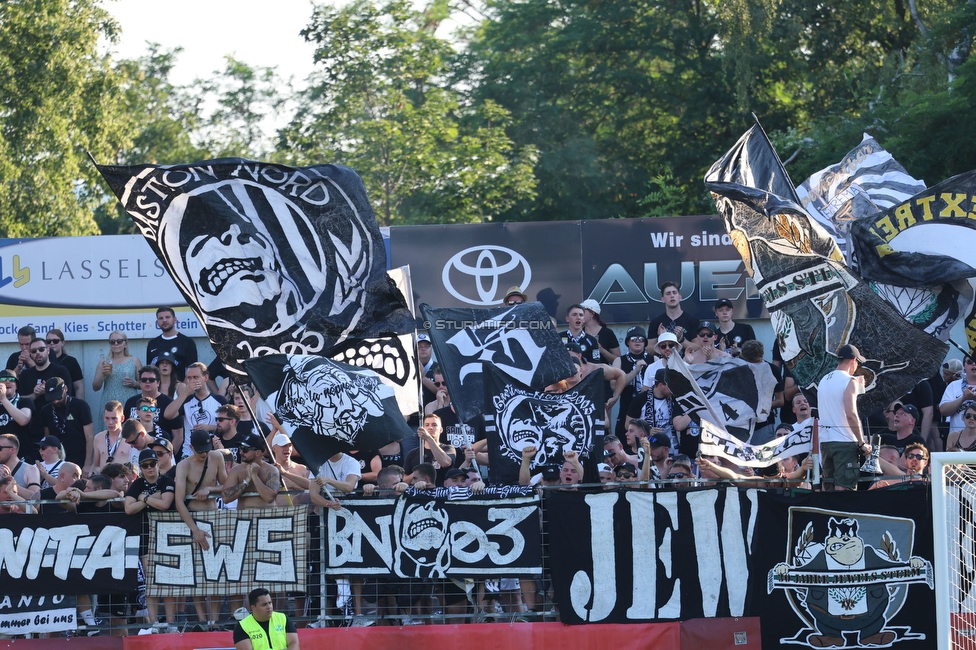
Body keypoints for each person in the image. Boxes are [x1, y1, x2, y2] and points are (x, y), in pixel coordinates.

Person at [817, 344, 872, 491]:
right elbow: (851, 414)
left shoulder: (823, 380)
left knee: (828, 488)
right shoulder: (850, 381)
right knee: (844, 489)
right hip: (845, 443)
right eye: (858, 363)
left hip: (825, 442)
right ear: (854, 360)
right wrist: (861, 442)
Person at [164, 361, 226, 459]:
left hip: (212, 452)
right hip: (189, 453)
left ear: (206, 378)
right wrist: (185, 393)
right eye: (189, 378)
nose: (192, 381)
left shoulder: (219, 400)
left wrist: (210, 427)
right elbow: (168, 414)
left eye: (195, 377)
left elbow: (229, 427)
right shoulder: (186, 400)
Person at [41, 377, 94, 475]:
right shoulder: (46, 410)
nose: (56, 401)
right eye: (52, 399)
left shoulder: (81, 406)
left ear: (65, 389)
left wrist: (87, 463)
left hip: (79, 456)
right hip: (57, 460)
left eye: (58, 397)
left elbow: (90, 437)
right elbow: (47, 439)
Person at [611, 327, 653, 436]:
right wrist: (635, 371)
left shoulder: (654, 360)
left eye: (641, 339)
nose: (638, 341)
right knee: (624, 446)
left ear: (645, 342)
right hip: (626, 408)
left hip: (648, 409)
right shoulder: (619, 360)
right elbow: (614, 387)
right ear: (628, 342)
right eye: (634, 338)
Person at [222, 432, 281, 509]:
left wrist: (254, 476)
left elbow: (269, 497)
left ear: (258, 453)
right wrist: (246, 481)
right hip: (244, 518)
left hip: (266, 518)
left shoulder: (271, 470)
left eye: (245, 450)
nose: (241, 452)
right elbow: (226, 498)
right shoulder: (236, 470)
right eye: (241, 448)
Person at [92, 330, 142, 416]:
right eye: (112, 342)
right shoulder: (104, 362)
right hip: (110, 402)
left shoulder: (134, 360)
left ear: (125, 343)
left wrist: (134, 383)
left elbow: (144, 384)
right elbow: (95, 387)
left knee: (130, 427)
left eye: (119, 341)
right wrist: (102, 374)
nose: (116, 344)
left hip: (129, 400)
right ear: (110, 344)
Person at [232, 587, 299, 650]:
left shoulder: (283, 618)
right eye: (264, 605)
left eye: (270, 603)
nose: (269, 607)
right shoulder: (242, 627)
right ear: (253, 608)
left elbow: (294, 643)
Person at [18, 337, 73, 411]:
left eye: (41, 349)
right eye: (34, 351)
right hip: (32, 419)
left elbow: (68, 396)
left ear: (48, 350)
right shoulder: (25, 374)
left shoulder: (61, 371)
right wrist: (34, 395)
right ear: (30, 354)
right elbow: (18, 399)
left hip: (55, 416)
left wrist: (48, 391)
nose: (37, 353)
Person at [647, 281, 699, 351]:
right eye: (668, 293)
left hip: (686, 361)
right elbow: (648, 350)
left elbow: (698, 348)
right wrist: (662, 338)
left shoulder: (692, 321)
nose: (672, 296)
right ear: (663, 299)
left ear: (680, 297)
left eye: (674, 293)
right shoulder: (656, 323)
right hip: (664, 361)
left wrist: (682, 340)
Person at [146, 306, 198, 375]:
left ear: (174, 319)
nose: (164, 320)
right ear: (157, 322)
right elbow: (149, 370)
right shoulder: (152, 344)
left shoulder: (187, 342)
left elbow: (192, 372)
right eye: (161, 318)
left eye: (167, 317)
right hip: (157, 385)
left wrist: (182, 386)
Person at [0, 369, 34, 456]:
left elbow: (23, 420)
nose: (7, 382)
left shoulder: (24, 401)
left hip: (21, 455)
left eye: (11, 380)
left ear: (16, 386)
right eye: (3, 379)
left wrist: (3, 399)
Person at [940, 353, 976, 434]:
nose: (974, 364)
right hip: (957, 440)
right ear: (964, 366)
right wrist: (963, 398)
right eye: (970, 361)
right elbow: (943, 410)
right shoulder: (953, 385)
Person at [44, 329, 84, 400]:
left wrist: (78, 405)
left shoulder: (71, 361)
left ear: (62, 342)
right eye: (48, 341)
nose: (52, 343)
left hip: (67, 401)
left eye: (55, 341)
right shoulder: (42, 361)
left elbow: (79, 387)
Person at [91, 401, 131, 472]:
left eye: (114, 418)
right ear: (103, 418)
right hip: (105, 480)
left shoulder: (130, 438)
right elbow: (96, 465)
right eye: (107, 418)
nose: (110, 422)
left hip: (123, 479)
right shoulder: (98, 438)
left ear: (122, 418)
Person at [0, 433, 41, 498]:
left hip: (20, 508)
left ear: (12, 450)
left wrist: (11, 483)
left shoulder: (30, 469)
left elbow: (35, 498)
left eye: (0, 448)